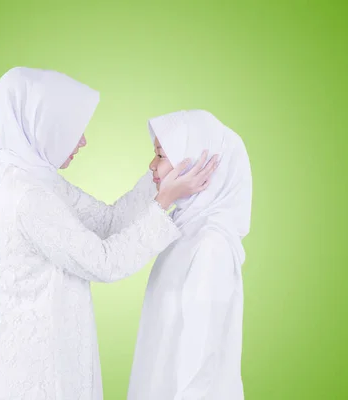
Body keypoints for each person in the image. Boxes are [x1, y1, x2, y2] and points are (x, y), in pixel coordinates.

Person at [0, 68, 219, 399]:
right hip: (38, 377)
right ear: (45, 125)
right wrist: (164, 200)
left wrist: (160, 174)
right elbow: (104, 263)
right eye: (74, 129)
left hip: (53, 363)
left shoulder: (37, 180)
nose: (84, 140)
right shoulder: (27, 197)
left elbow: (107, 221)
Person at [127, 110, 252, 400]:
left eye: (160, 155)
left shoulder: (211, 245)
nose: (151, 165)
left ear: (196, 164)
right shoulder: (181, 232)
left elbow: (201, 358)